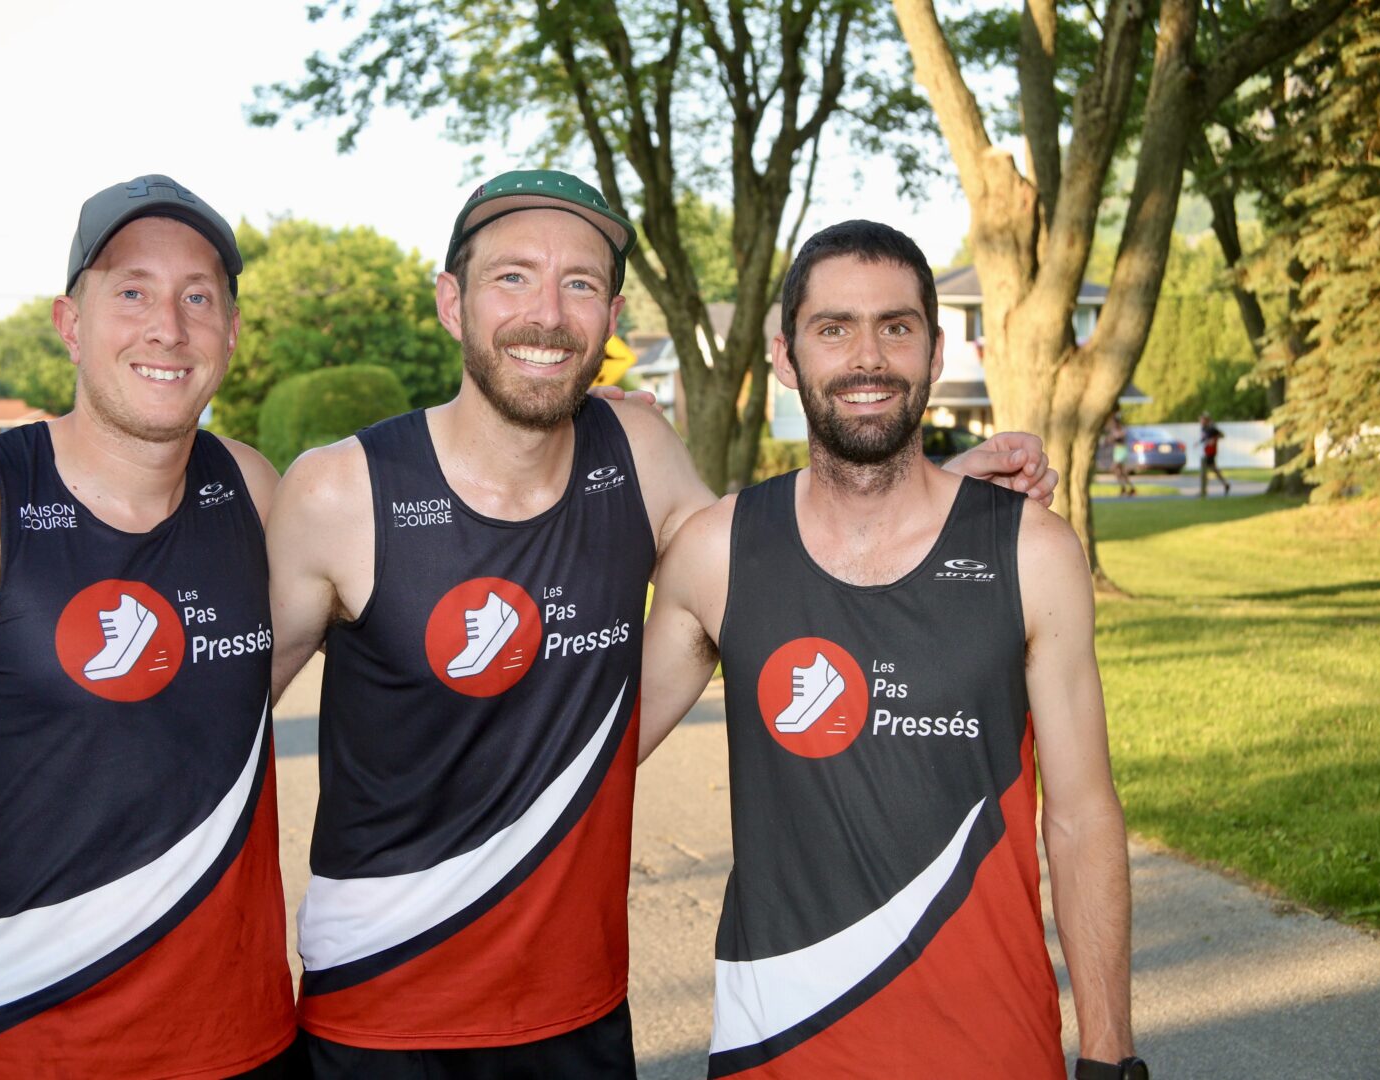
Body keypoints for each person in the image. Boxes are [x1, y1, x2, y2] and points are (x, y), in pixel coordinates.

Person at [265, 171, 1059, 1078]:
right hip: (381, 1012)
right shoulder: (339, 492)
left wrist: (950, 493)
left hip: (578, 1014)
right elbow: (205, 728)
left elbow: (782, 560)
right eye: (512, 277)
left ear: (610, 318)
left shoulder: (636, 456)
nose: (547, 312)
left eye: (581, 284)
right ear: (452, 301)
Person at [0, 175, 301, 1078]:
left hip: (249, 1048)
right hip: (20, 1048)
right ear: (68, 323)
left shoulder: (254, 490)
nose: (169, 326)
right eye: (131, 291)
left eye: (199, 297)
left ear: (231, 332)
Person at [637, 220, 1143, 1079]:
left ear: (935, 351)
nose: (867, 357)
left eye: (895, 327)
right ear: (785, 358)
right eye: (833, 328)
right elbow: (585, 755)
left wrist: (1109, 1055)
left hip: (994, 1049)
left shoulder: (1030, 552)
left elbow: (1083, 816)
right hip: (777, 1045)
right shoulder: (720, 554)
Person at [1198, 412, 1231, 497]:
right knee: (1212, 469)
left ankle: (1203, 489)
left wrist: (1213, 439)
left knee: (1207, 469)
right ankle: (1224, 484)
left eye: (1202, 419)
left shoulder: (1211, 428)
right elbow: (1205, 438)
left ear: (1206, 420)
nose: (1200, 421)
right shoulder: (1203, 429)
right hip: (1207, 450)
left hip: (1211, 451)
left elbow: (1221, 435)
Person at [1106, 410, 1137, 497]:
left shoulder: (1122, 430)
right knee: (1120, 472)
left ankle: (1126, 488)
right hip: (1117, 451)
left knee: (1114, 467)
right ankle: (1127, 488)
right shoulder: (1114, 430)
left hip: (1122, 451)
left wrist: (1114, 438)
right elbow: (1109, 440)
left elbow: (1120, 439)